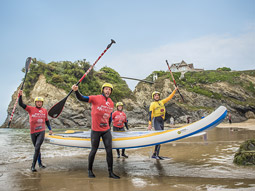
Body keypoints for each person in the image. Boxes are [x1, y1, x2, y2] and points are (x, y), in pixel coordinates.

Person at [72, 83, 120, 179]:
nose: (108, 91)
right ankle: (90, 170)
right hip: (95, 130)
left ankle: (110, 172)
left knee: (109, 151)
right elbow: (82, 98)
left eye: (110, 89)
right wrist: (76, 91)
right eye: (106, 89)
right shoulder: (95, 98)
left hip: (106, 130)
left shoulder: (111, 102)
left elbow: (109, 116)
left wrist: (109, 126)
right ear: (102, 90)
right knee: (94, 150)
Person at [18, 90, 52, 172]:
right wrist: (20, 95)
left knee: (37, 147)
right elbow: (21, 104)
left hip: (41, 131)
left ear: (42, 103)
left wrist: (50, 129)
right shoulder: (30, 109)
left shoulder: (44, 110)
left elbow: (47, 120)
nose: (39, 103)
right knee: (37, 149)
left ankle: (33, 166)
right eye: (38, 102)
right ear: (35, 103)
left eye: (40, 102)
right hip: (33, 132)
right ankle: (40, 164)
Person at [148, 87, 178, 160]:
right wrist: (149, 124)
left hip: (161, 121)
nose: (157, 96)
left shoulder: (162, 102)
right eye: (155, 95)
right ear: (153, 97)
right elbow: (150, 114)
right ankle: (155, 154)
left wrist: (174, 90)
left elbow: (169, 97)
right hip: (156, 120)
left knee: (161, 139)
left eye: (157, 95)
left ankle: (156, 154)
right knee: (159, 137)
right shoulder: (152, 104)